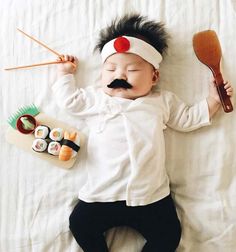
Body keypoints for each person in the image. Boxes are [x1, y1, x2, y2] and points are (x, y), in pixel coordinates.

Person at [52, 14, 233, 252]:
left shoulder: (161, 102)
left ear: (154, 77)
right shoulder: (96, 99)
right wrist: (65, 73)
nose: (121, 75)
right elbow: (69, 101)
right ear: (101, 75)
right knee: (80, 224)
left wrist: (212, 100)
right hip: (101, 195)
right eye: (111, 68)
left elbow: (188, 119)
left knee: (169, 235)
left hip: (150, 196)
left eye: (133, 69)